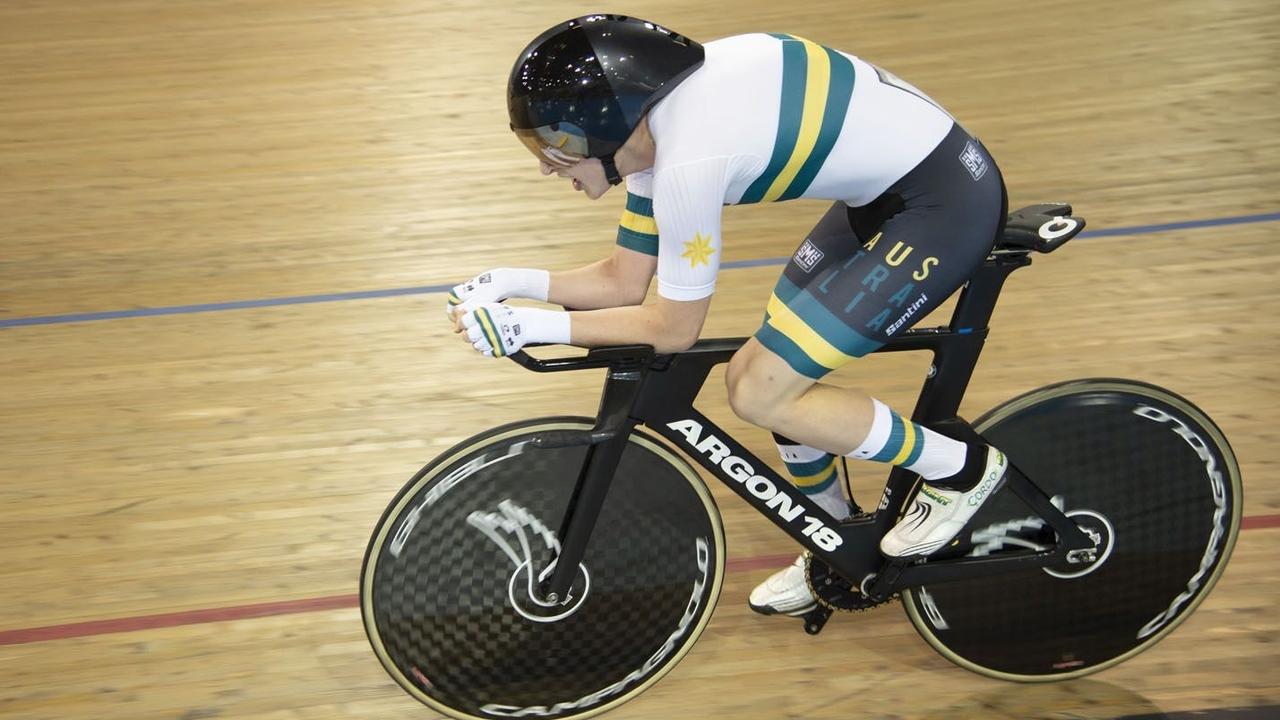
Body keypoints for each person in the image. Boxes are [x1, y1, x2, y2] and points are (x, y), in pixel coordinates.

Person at [447, 14, 1010, 617]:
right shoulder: (652, 135)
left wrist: (528, 327)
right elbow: (623, 281)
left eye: (557, 144)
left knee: (759, 385)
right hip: (888, 196)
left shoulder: (688, 160)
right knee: (774, 363)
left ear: (608, 125)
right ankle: (836, 540)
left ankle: (963, 469)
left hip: (942, 204)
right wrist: (513, 284)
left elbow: (672, 329)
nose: (547, 165)